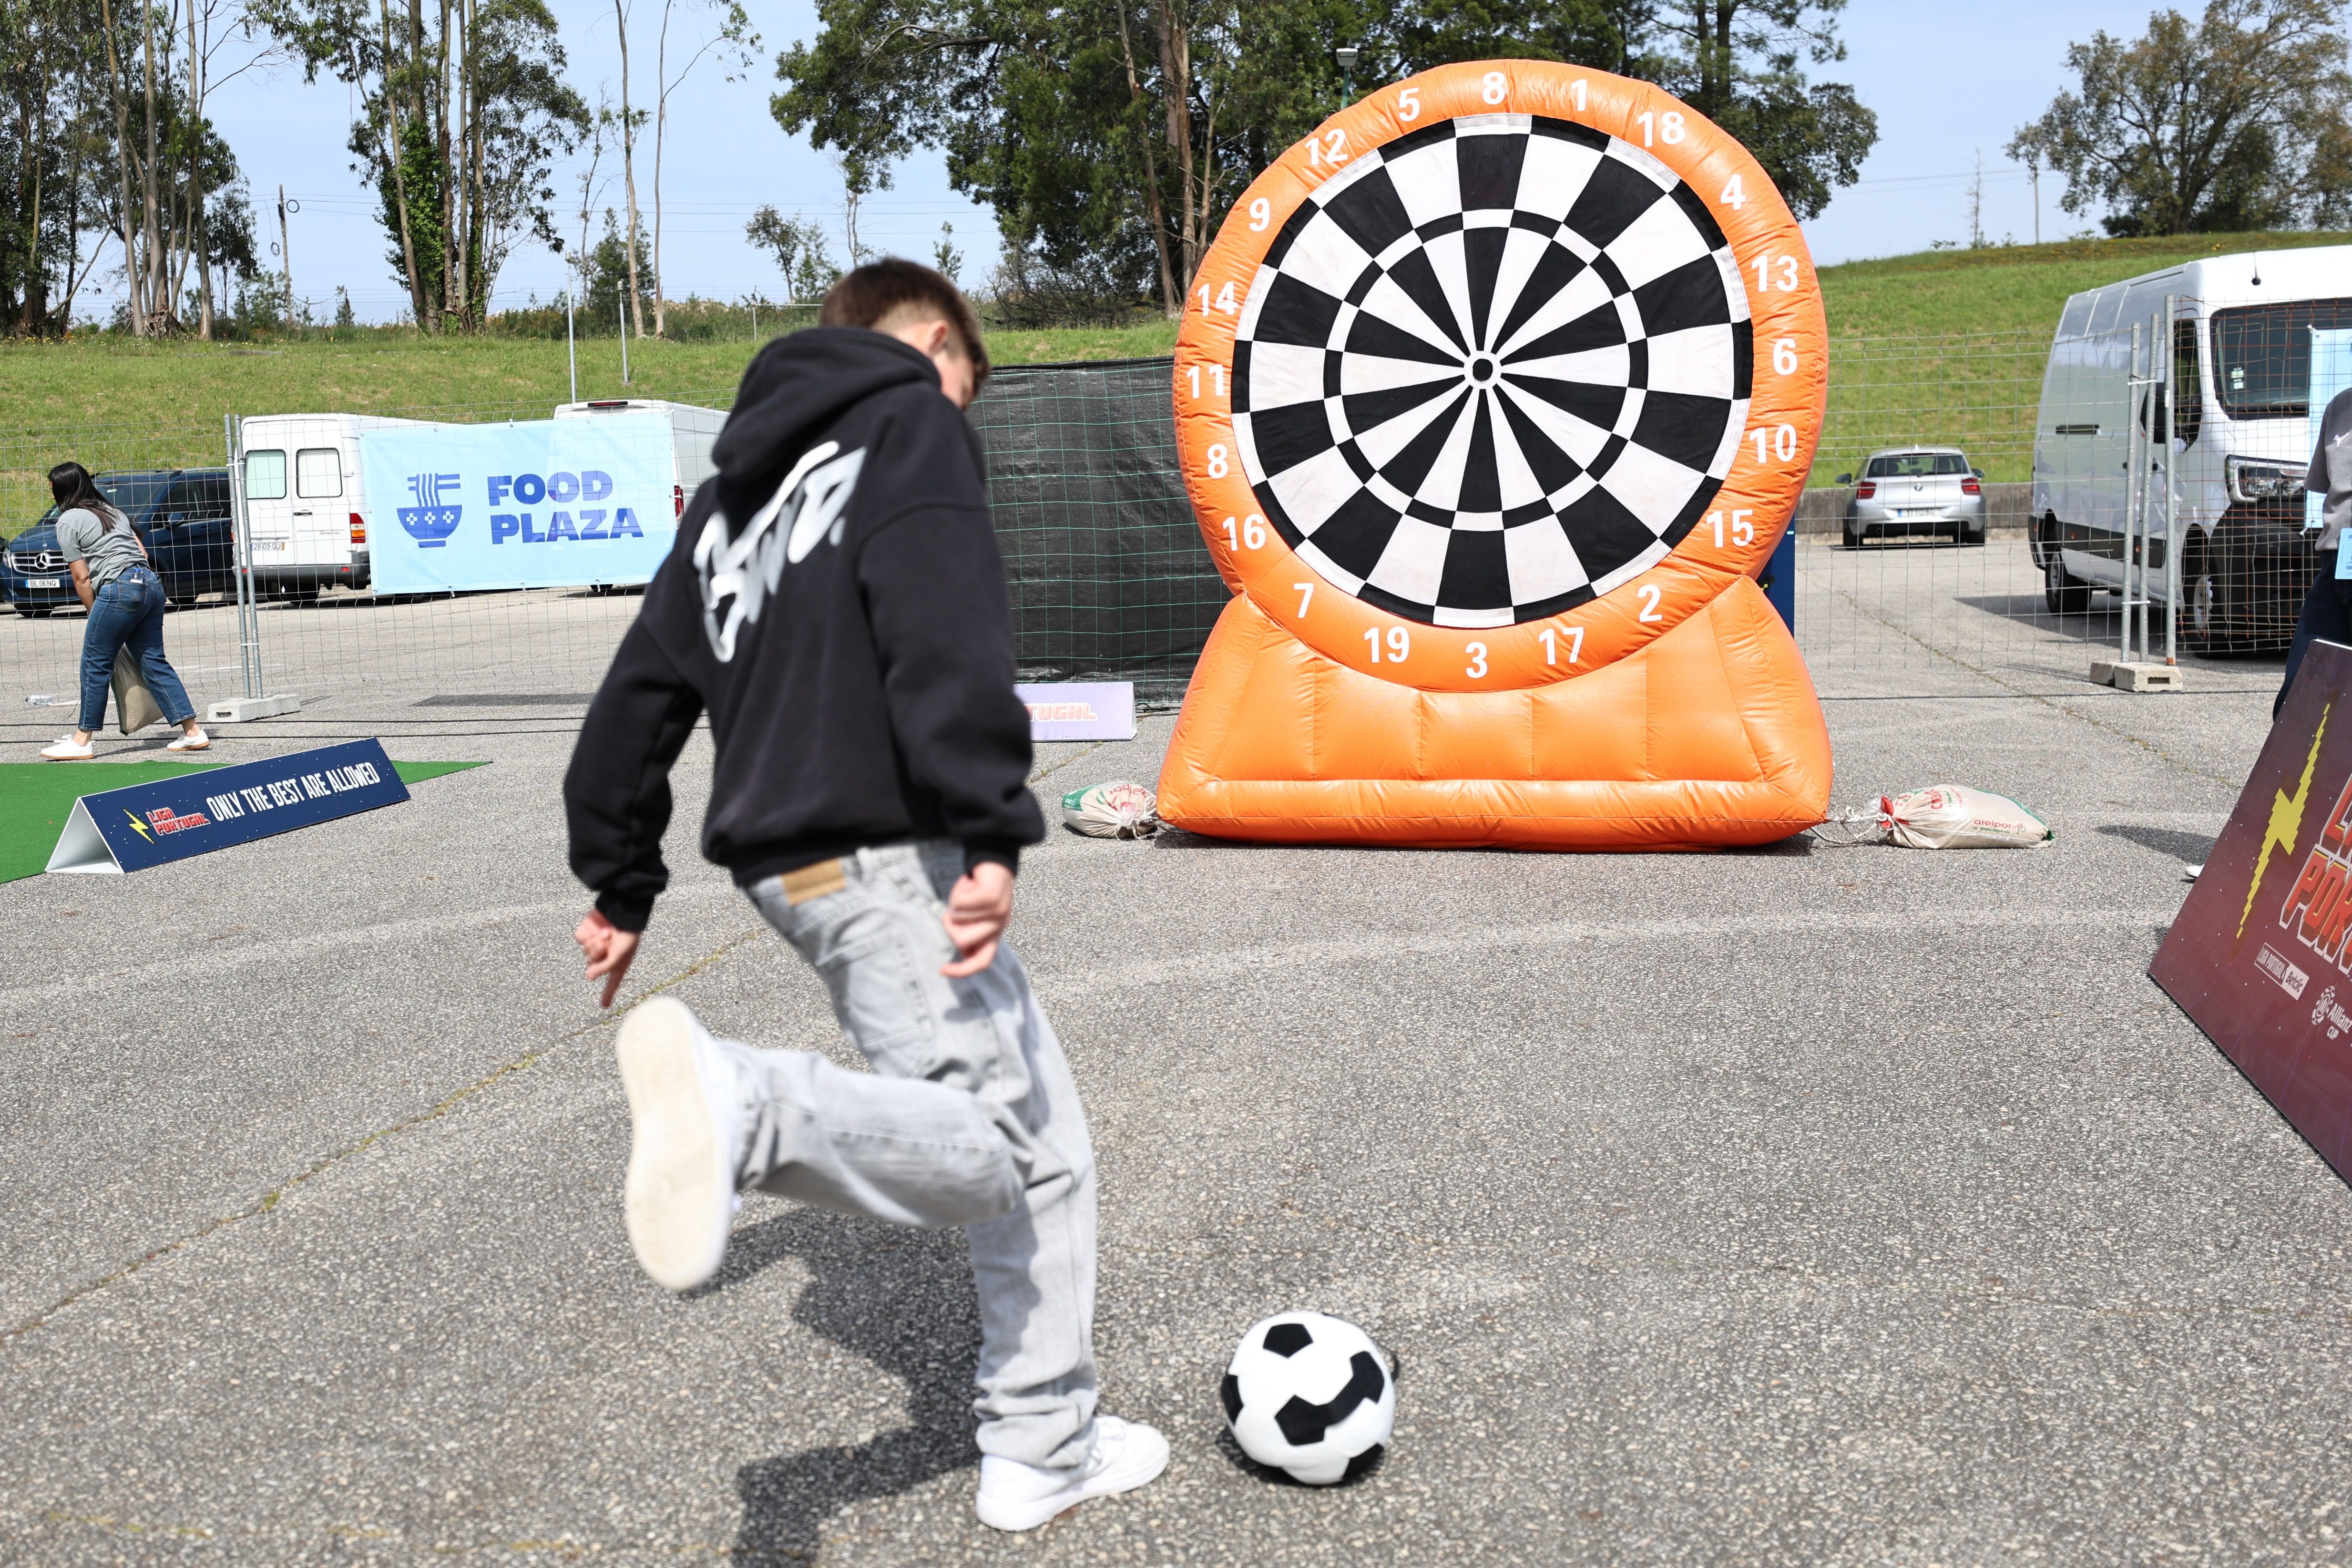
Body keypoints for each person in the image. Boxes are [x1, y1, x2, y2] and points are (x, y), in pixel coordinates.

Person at [561, 259, 1166, 1534]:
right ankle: (755, 1114)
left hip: (789, 871)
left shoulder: (728, 501)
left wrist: (618, 877)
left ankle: (1040, 1441)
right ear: (937, 345)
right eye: (970, 387)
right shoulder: (911, 423)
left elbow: (636, 700)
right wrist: (996, 824)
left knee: (1042, 1145)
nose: (967, 412)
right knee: (1010, 1152)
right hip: (891, 854)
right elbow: (945, 624)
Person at [38, 462, 207, 761]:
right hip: (151, 585)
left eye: (52, 489)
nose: (50, 493)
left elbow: (82, 578)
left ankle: (82, 741)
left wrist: (97, 613)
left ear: (63, 490)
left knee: (95, 662)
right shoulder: (111, 512)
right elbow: (142, 553)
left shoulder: (67, 521)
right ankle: (193, 732)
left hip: (120, 590)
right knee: (153, 660)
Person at [2277, 382, 2352, 718]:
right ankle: (2297, 769)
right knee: (2298, 689)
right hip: (2338, 557)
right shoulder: (2340, 406)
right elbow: (2326, 488)